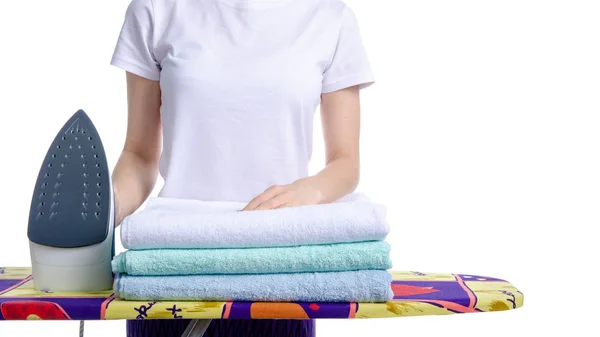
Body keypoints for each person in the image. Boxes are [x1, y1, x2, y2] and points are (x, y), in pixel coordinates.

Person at [110, 0, 374, 336]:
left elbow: (345, 163)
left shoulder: (329, 17)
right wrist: (102, 213)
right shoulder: (156, 10)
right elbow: (139, 155)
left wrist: (308, 191)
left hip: (280, 282)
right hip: (172, 278)